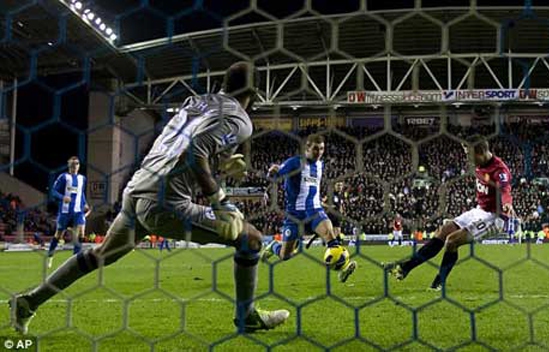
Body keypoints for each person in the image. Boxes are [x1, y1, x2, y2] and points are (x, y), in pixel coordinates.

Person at [9, 62, 289, 334]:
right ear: (254, 94)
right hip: (166, 202)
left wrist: (221, 163)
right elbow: (193, 153)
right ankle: (247, 317)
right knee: (251, 239)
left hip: (137, 188)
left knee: (99, 255)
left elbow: (182, 146)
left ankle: (28, 302)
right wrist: (219, 200)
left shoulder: (196, 101)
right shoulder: (240, 119)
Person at [382, 135, 515, 291]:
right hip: (479, 210)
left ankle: (439, 282)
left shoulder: (500, 170)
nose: (468, 159)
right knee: (443, 231)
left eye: (469, 154)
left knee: (452, 241)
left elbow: (505, 189)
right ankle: (405, 268)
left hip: (495, 217)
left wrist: (507, 204)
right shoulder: (480, 164)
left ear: (480, 152)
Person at [260, 135, 357, 283]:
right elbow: (275, 176)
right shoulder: (295, 163)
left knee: (332, 238)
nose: (320, 152)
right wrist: (272, 173)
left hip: (314, 211)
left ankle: (343, 269)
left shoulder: (320, 165)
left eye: (322, 149)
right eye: (316, 149)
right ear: (307, 148)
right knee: (285, 255)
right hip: (294, 215)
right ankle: (274, 246)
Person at [47, 157, 92, 268]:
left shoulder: (82, 178)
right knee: (58, 234)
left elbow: (81, 193)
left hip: (78, 211)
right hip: (65, 211)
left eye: (76, 163)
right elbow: (53, 191)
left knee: (81, 233)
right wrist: (63, 197)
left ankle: (75, 260)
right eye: (72, 164)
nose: (74, 166)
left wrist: (85, 203)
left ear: (79, 165)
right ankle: (50, 256)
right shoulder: (64, 177)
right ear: (69, 166)